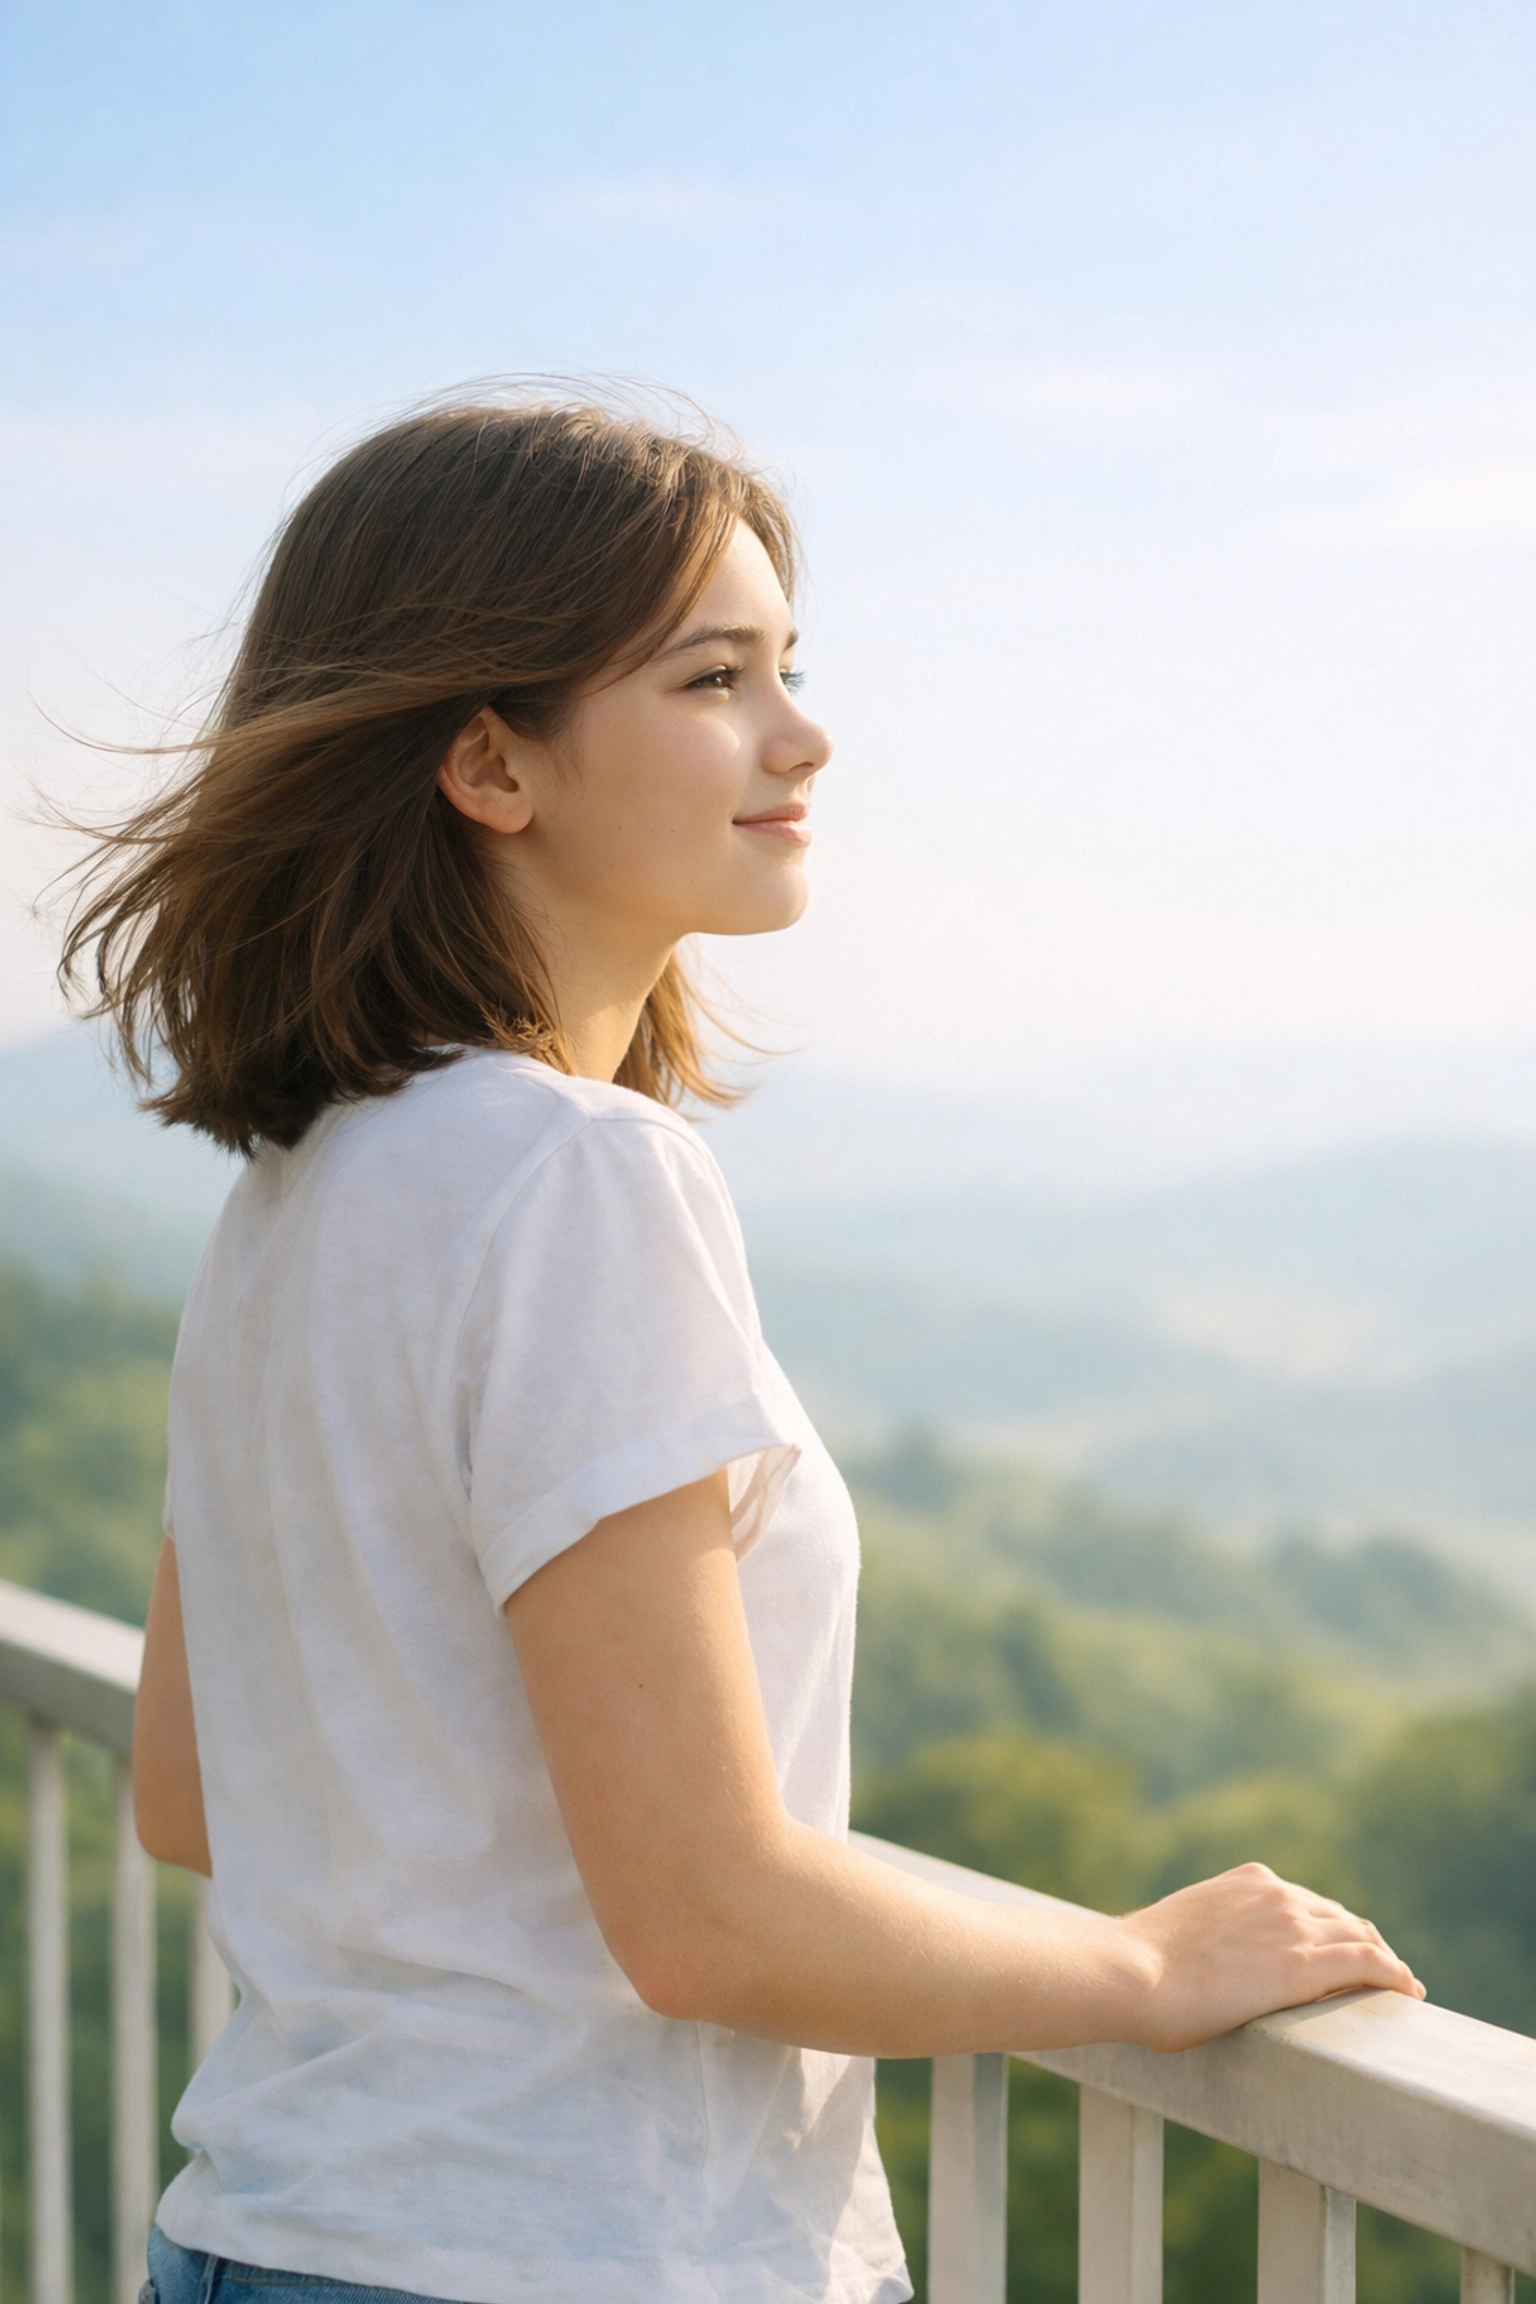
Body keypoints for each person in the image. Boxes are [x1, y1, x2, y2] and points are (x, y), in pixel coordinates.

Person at [64, 394, 1423, 2304]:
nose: (806, 732)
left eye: (790, 665)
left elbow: (196, 1795)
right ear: (488, 764)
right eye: (717, 677)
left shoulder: (290, 1199)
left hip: (256, 2240)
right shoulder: (571, 1176)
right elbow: (709, 1915)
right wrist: (1146, 1968)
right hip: (574, 2258)